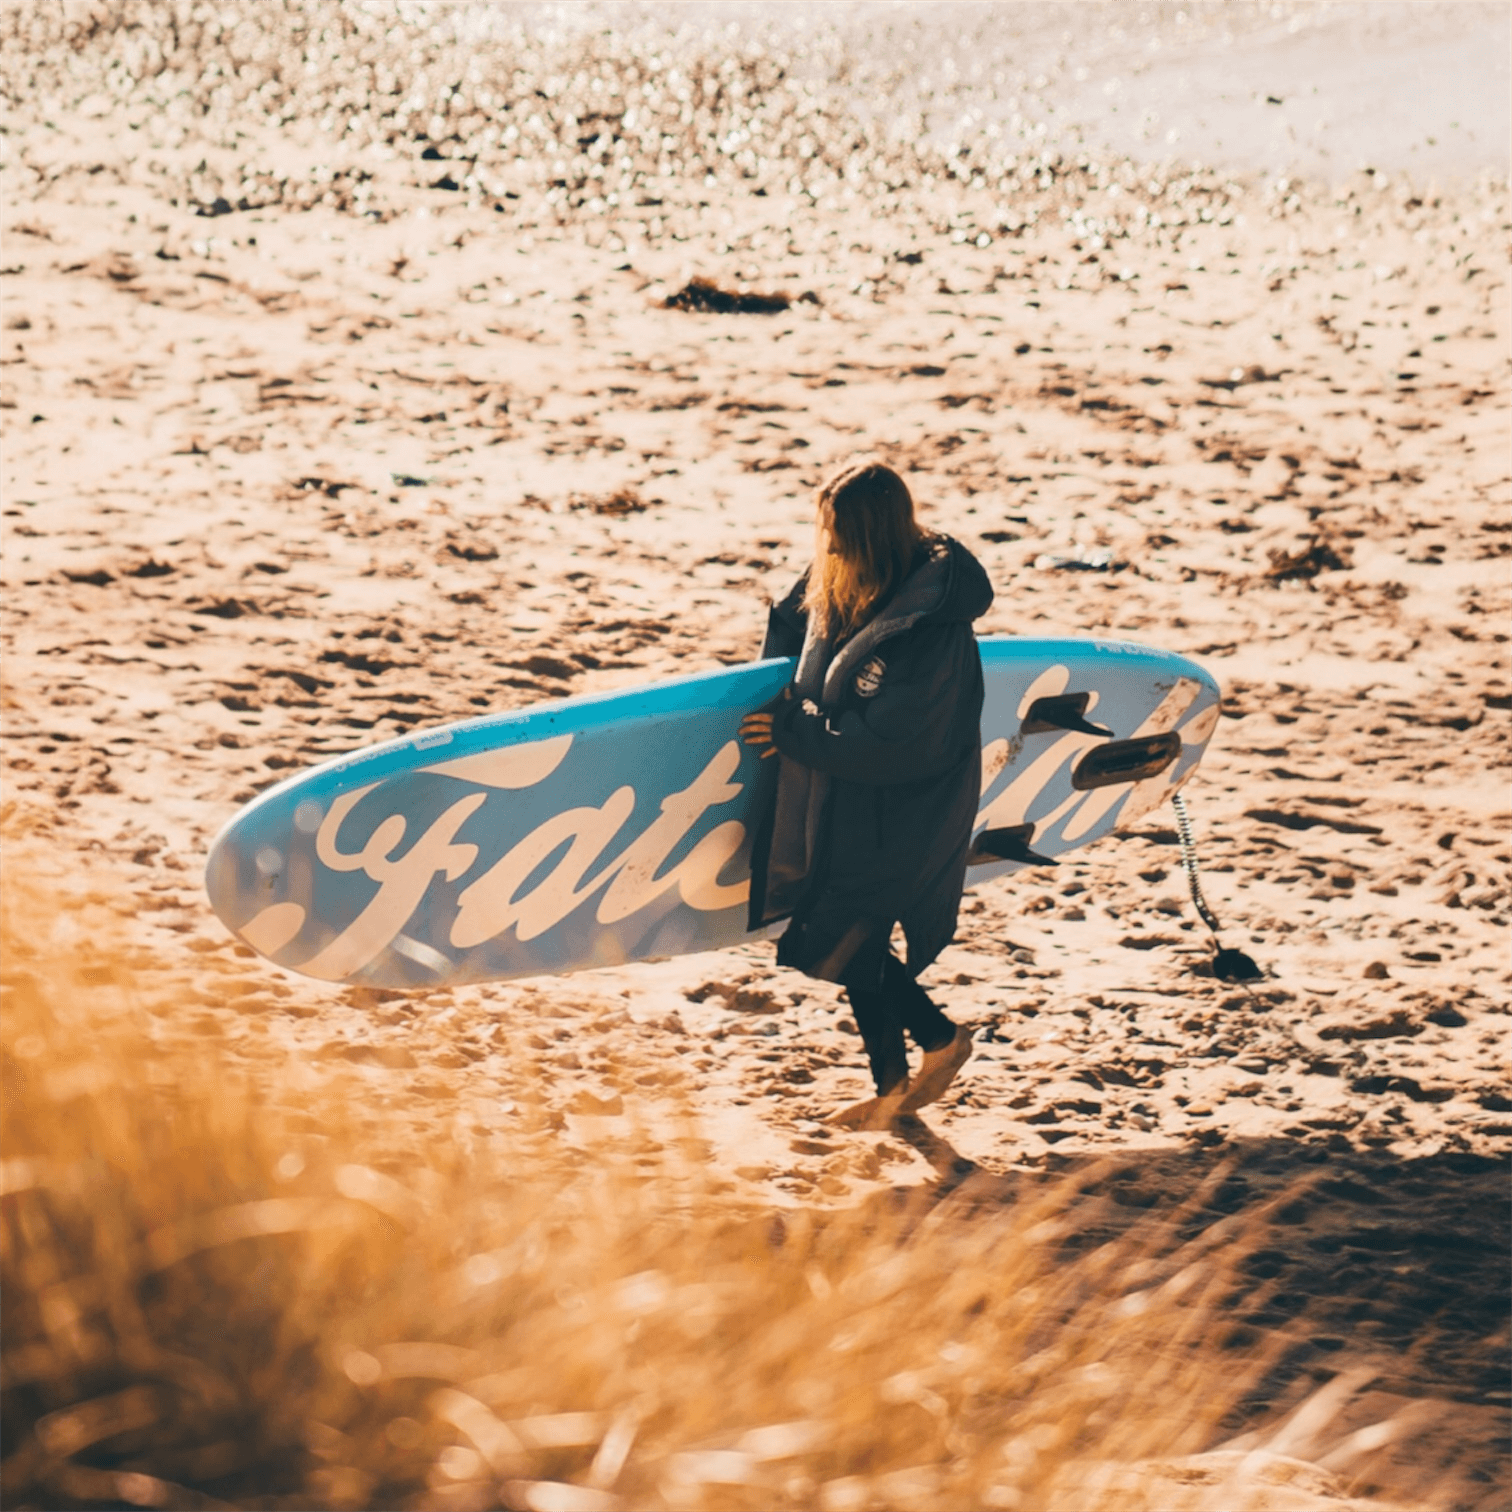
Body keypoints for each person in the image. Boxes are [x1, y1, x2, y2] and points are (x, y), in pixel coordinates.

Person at [739, 460, 993, 1128]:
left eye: (837, 534)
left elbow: (897, 742)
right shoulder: (850, 577)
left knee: (843, 933)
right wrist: (765, 688)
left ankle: (940, 1041)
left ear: (869, 536)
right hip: (852, 794)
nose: (827, 547)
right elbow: (792, 620)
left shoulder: (930, 627)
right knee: (853, 935)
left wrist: (794, 731)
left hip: (908, 804)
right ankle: (895, 1085)